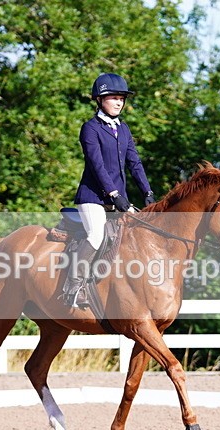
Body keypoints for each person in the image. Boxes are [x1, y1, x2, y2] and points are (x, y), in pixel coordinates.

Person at [64, 73, 156, 308]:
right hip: (93, 197)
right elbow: (97, 166)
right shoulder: (90, 129)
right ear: (99, 99)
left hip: (118, 199)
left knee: (137, 234)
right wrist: (115, 195)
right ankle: (73, 286)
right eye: (113, 98)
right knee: (96, 235)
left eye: (121, 98)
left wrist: (147, 192)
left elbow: (134, 163)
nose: (119, 102)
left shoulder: (123, 129)